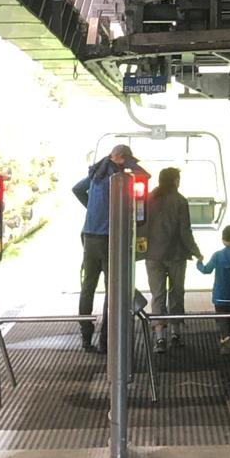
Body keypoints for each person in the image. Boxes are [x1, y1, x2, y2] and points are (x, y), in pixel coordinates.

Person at [72, 144, 149, 354]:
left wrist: (91, 208)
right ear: (122, 158)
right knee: (112, 290)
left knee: (87, 287)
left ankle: (86, 337)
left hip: (89, 237)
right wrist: (131, 164)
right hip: (109, 239)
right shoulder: (119, 179)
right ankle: (106, 340)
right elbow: (145, 176)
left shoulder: (96, 173)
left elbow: (77, 189)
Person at [145, 167, 200, 354]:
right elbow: (185, 231)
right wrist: (196, 251)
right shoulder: (180, 201)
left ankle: (159, 338)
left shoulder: (148, 199)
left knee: (157, 295)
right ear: (175, 180)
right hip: (176, 254)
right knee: (176, 293)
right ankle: (176, 334)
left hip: (153, 254)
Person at [197, 224, 230, 355]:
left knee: (221, 318)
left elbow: (206, 270)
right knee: (228, 316)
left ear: (222, 239)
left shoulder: (217, 256)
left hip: (219, 294)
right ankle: (227, 338)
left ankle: (225, 340)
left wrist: (199, 262)